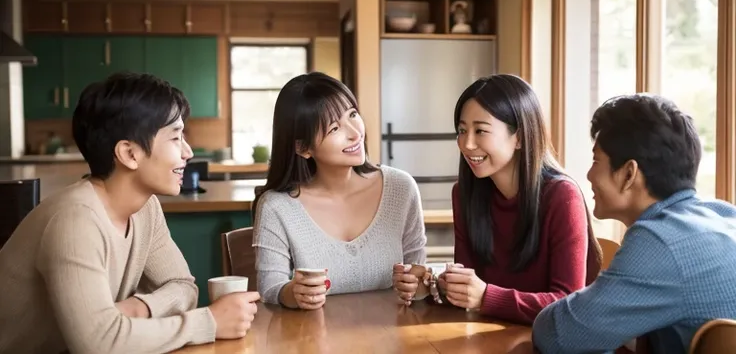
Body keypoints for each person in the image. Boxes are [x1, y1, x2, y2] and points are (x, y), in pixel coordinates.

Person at [0, 72, 260, 354]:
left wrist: (137, 309)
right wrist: (208, 322)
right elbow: (98, 344)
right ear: (129, 154)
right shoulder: (75, 219)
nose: (187, 152)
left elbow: (183, 287)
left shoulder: (145, 208)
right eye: (175, 138)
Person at [532, 94, 736, 354]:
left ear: (629, 174)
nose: (589, 175)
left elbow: (557, 335)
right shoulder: (725, 213)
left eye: (596, 161)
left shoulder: (657, 240)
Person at [435, 74, 602, 325]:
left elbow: (567, 301)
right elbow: (468, 286)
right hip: (493, 337)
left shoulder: (561, 197)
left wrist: (486, 297)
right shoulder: (464, 194)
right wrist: (431, 285)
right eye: (462, 130)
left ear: (520, 137)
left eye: (480, 130)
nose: (467, 144)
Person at [252, 72, 428, 310]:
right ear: (303, 147)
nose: (355, 133)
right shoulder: (276, 206)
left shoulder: (401, 188)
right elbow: (270, 288)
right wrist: (293, 293)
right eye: (334, 128)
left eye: (352, 115)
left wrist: (417, 284)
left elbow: (419, 276)